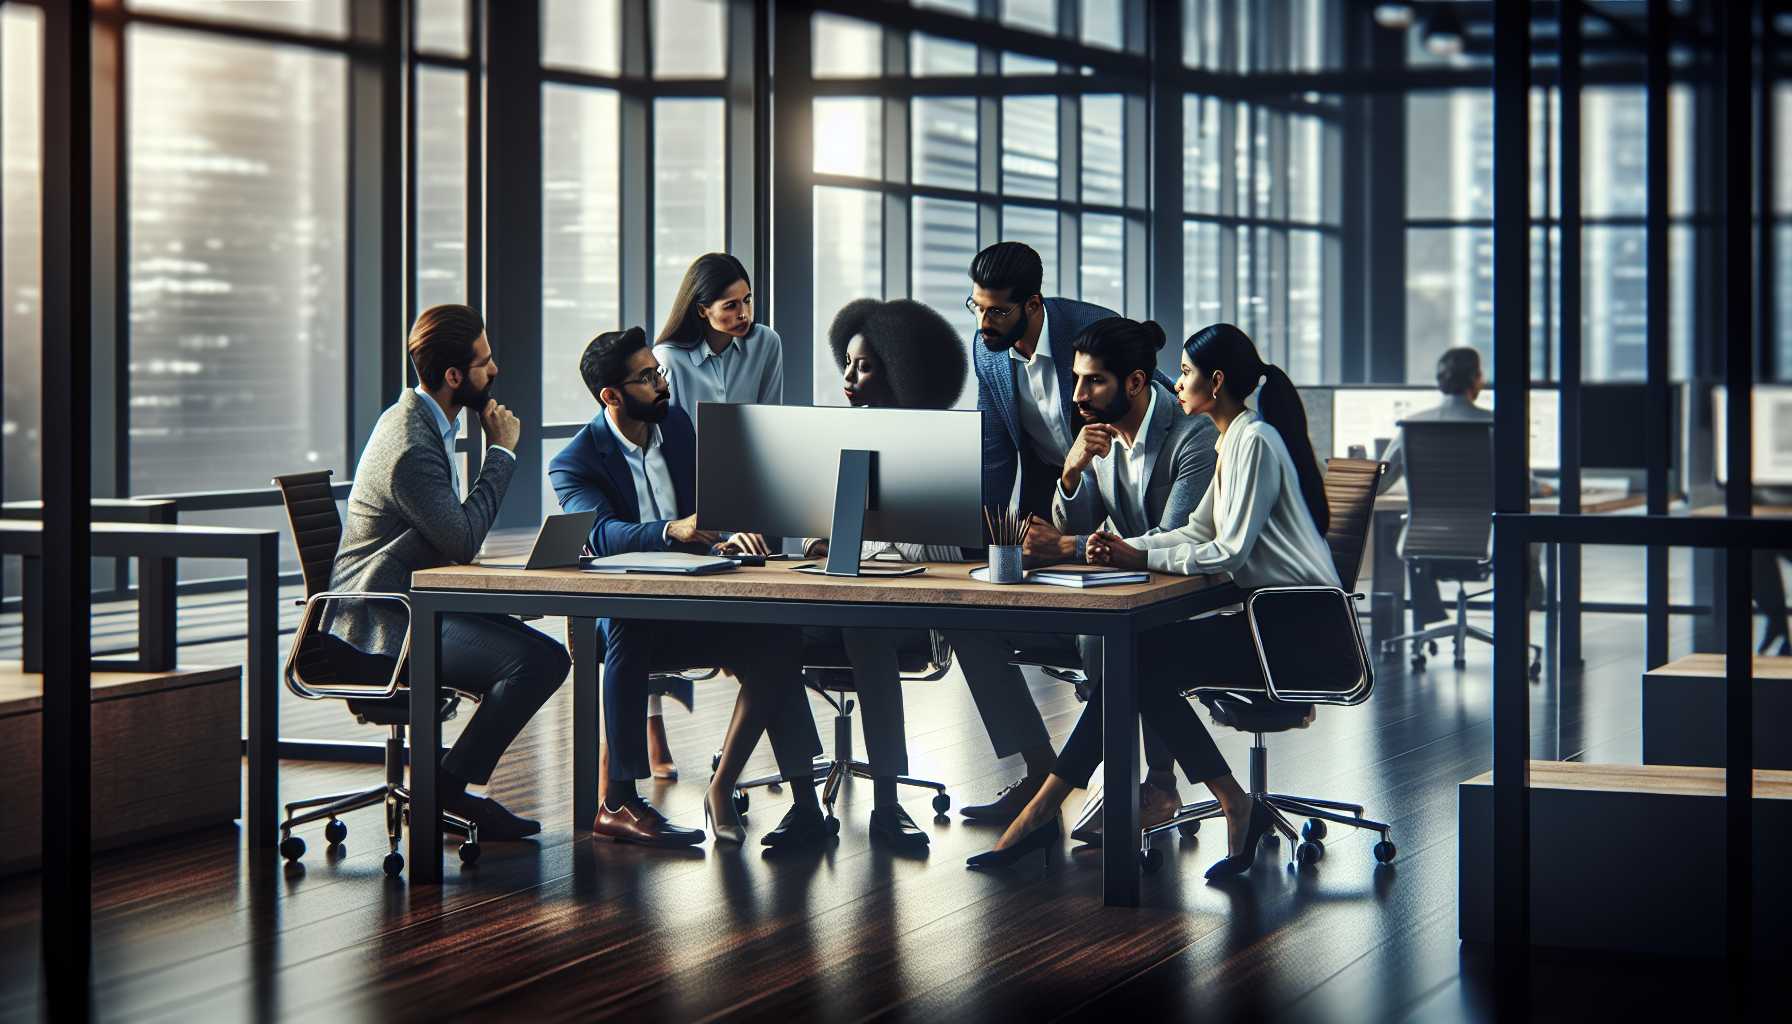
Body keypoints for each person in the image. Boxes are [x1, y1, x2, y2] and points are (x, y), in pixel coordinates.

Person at [967, 323, 1340, 880]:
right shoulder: (1233, 437)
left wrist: (1132, 557)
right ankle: (1230, 802)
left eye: (1186, 373)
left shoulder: (1253, 440)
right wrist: (1124, 547)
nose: (1178, 382)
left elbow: (1228, 553)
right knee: (1137, 661)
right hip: (1264, 624)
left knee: (1137, 661)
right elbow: (1192, 532)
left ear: (1215, 383)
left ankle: (1042, 812)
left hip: (1297, 634)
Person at [548, 327, 827, 848]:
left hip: (701, 598)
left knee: (778, 634)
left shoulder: (675, 425)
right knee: (629, 622)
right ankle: (619, 799)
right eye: (647, 377)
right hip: (635, 620)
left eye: (659, 371)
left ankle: (797, 802)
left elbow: (718, 497)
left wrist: (733, 527)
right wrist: (670, 530)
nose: (661, 383)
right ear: (612, 396)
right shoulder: (575, 461)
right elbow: (599, 533)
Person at [942, 317, 1217, 841]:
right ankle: (1043, 769)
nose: (1078, 395)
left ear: (1135, 383)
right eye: (1075, 380)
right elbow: (1076, 522)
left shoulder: (1193, 435)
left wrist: (1065, 547)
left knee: (1104, 638)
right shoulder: (1097, 432)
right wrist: (1069, 473)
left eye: (1093, 381)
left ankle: (1157, 783)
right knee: (971, 623)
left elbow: (1177, 538)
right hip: (1108, 590)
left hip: (1176, 601)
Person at [328, 304, 569, 842]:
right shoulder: (411, 445)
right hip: (381, 620)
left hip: (415, 601)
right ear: (454, 376)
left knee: (546, 654)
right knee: (535, 662)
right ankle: (444, 794)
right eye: (485, 362)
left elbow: (449, 540)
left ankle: (443, 792)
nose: (496, 370)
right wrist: (502, 453)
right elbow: (461, 538)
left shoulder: (428, 422)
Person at [797, 298, 972, 851]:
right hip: (837, 594)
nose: (849, 377)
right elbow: (809, 528)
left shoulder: (936, 444)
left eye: (865, 366)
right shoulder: (835, 436)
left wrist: (880, 531)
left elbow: (946, 552)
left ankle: (888, 802)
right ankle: (804, 804)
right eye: (846, 363)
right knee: (767, 633)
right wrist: (818, 539)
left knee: (865, 629)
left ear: (901, 368)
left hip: (908, 609)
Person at [643, 252, 783, 777]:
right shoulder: (669, 359)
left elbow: (769, 426)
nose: (743, 312)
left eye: (747, 301)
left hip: (748, 489)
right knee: (655, 613)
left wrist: (753, 514)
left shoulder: (766, 343)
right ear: (701, 310)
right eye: (730, 305)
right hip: (685, 495)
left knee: (765, 618)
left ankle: (752, 742)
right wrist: (708, 523)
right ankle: (652, 727)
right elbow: (669, 449)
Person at [1379, 346, 1543, 622]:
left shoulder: (1410, 427)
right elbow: (1521, 485)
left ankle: (1429, 619)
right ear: (1477, 379)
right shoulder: (1497, 425)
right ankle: (1517, 625)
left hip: (1425, 539)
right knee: (1529, 535)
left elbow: (1380, 482)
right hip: (1485, 540)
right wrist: (1547, 487)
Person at [968, 241, 1119, 520]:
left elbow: (1150, 399)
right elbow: (993, 449)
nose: (983, 324)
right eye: (977, 307)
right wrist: (985, 537)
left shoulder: (1096, 329)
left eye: (997, 311)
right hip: (1046, 491)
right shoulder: (986, 348)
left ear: (1033, 305)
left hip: (1114, 488)